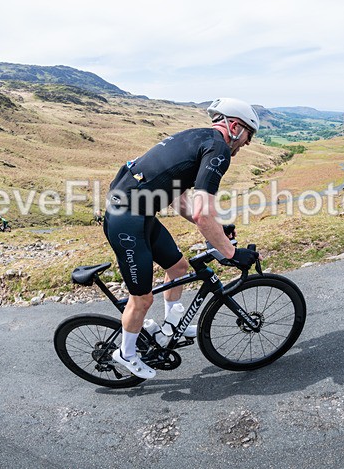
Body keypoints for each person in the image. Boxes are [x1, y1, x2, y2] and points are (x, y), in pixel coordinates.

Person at [103, 98, 261, 378]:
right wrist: (232, 254)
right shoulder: (219, 149)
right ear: (235, 127)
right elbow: (202, 214)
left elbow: (180, 199)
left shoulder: (197, 137)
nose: (247, 143)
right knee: (141, 299)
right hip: (127, 220)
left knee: (177, 267)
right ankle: (126, 354)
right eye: (248, 135)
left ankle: (170, 326)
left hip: (140, 215)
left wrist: (219, 230)